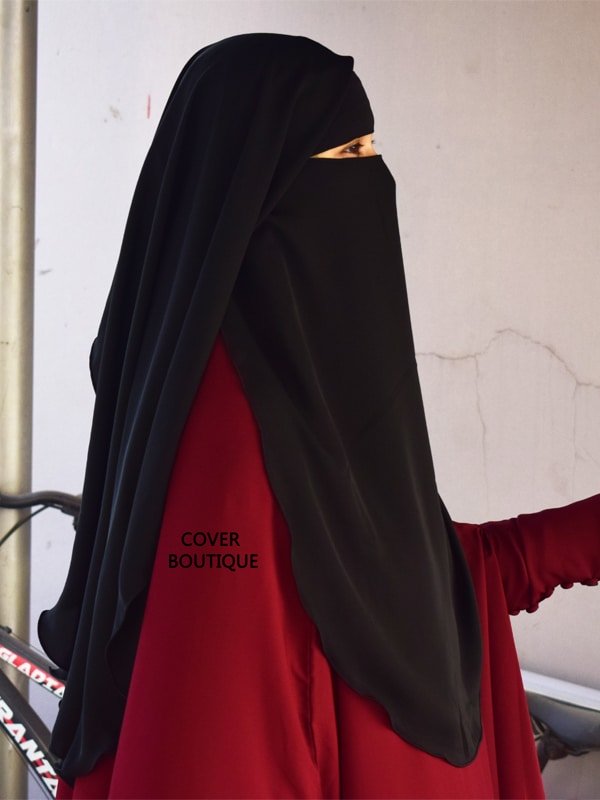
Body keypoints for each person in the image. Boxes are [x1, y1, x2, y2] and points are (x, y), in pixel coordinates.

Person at [38, 32, 600, 799]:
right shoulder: (233, 429)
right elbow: (222, 739)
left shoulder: (289, 386)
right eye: (349, 152)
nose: (373, 175)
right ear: (259, 189)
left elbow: (402, 582)